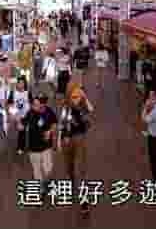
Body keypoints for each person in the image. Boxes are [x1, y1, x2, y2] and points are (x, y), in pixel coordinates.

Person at [58, 83, 94, 216]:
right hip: (67, 141)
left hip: (80, 138)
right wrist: (60, 141)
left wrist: (85, 97)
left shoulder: (83, 106)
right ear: (69, 96)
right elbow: (62, 125)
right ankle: (71, 180)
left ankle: (84, 201)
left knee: (81, 169)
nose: (76, 99)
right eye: (74, 96)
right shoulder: (65, 108)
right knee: (69, 167)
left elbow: (91, 109)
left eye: (78, 96)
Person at [19, 94, 57, 186]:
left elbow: (54, 123)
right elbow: (22, 124)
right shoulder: (30, 113)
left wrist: (50, 132)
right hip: (33, 148)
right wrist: (20, 125)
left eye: (43, 102)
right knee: (37, 170)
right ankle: (41, 188)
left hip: (46, 146)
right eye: (35, 103)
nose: (41, 104)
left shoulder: (49, 111)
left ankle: (46, 181)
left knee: (48, 169)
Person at [8, 77, 31, 155]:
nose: (21, 84)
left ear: (25, 84)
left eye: (22, 83)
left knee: (23, 130)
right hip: (16, 115)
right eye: (19, 83)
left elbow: (31, 104)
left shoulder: (28, 93)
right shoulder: (13, 93)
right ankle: (20, 146)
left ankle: (21, 147)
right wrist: (13, 115)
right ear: (17, 84)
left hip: (26, 115)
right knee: (20, 129)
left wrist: (29, 114)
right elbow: (9, 104)